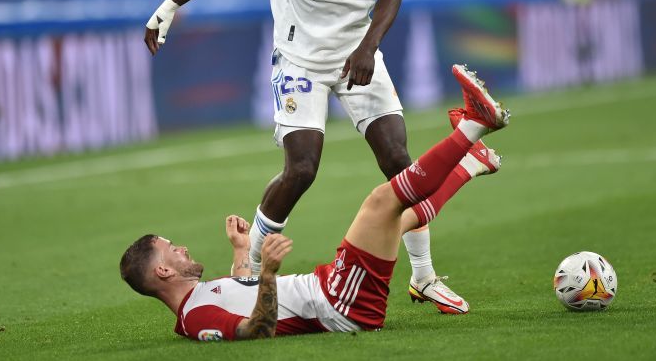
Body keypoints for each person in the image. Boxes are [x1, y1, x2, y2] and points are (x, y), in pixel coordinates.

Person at [143, 0, 485, 312]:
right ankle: (249, 274)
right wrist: (170, 5)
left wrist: (368, 47)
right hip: (300, 61)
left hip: (359, 54)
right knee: (301, 169)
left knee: (397, 161)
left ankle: (424, 276)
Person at [120, 65, 510, 340]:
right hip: (339, 303)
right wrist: (270, 272)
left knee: (398, 217)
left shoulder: (201, 297)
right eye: (172, 250)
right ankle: (475, 124)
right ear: (164, 273)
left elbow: (245, 289)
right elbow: (254, 330)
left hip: (334, 291)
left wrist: (242, 252)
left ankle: (470, 162)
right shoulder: (196, 318)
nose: (182, 247)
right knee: (380, 203)